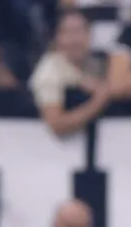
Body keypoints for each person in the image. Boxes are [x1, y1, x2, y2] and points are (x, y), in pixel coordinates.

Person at [29, 8, 110, 137]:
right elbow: (57, 125)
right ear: (57, 37)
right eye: (68, 32)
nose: (75, 39)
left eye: (80, 31)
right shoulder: (49, 71)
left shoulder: (96, 64)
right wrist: (98, 102)